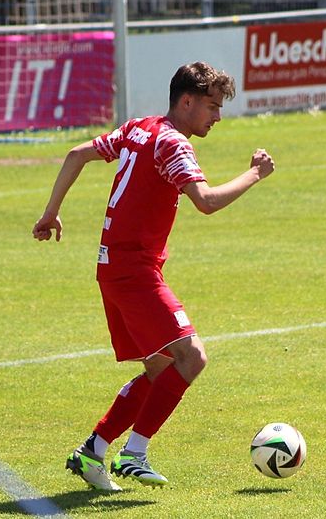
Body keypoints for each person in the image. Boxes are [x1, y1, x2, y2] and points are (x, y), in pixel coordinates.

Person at [32, 61, 275, 490]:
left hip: (113, 267)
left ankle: (92, 451)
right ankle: (134, 453)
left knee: (161, 368)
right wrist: (255, 173)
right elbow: (206, 201)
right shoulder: (173, 143)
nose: (218, 117)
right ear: (187, 102)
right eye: (213, 107)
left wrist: (51, 213)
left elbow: (76, 154)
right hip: (134, 272)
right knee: (192, 357)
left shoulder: (139, 128)